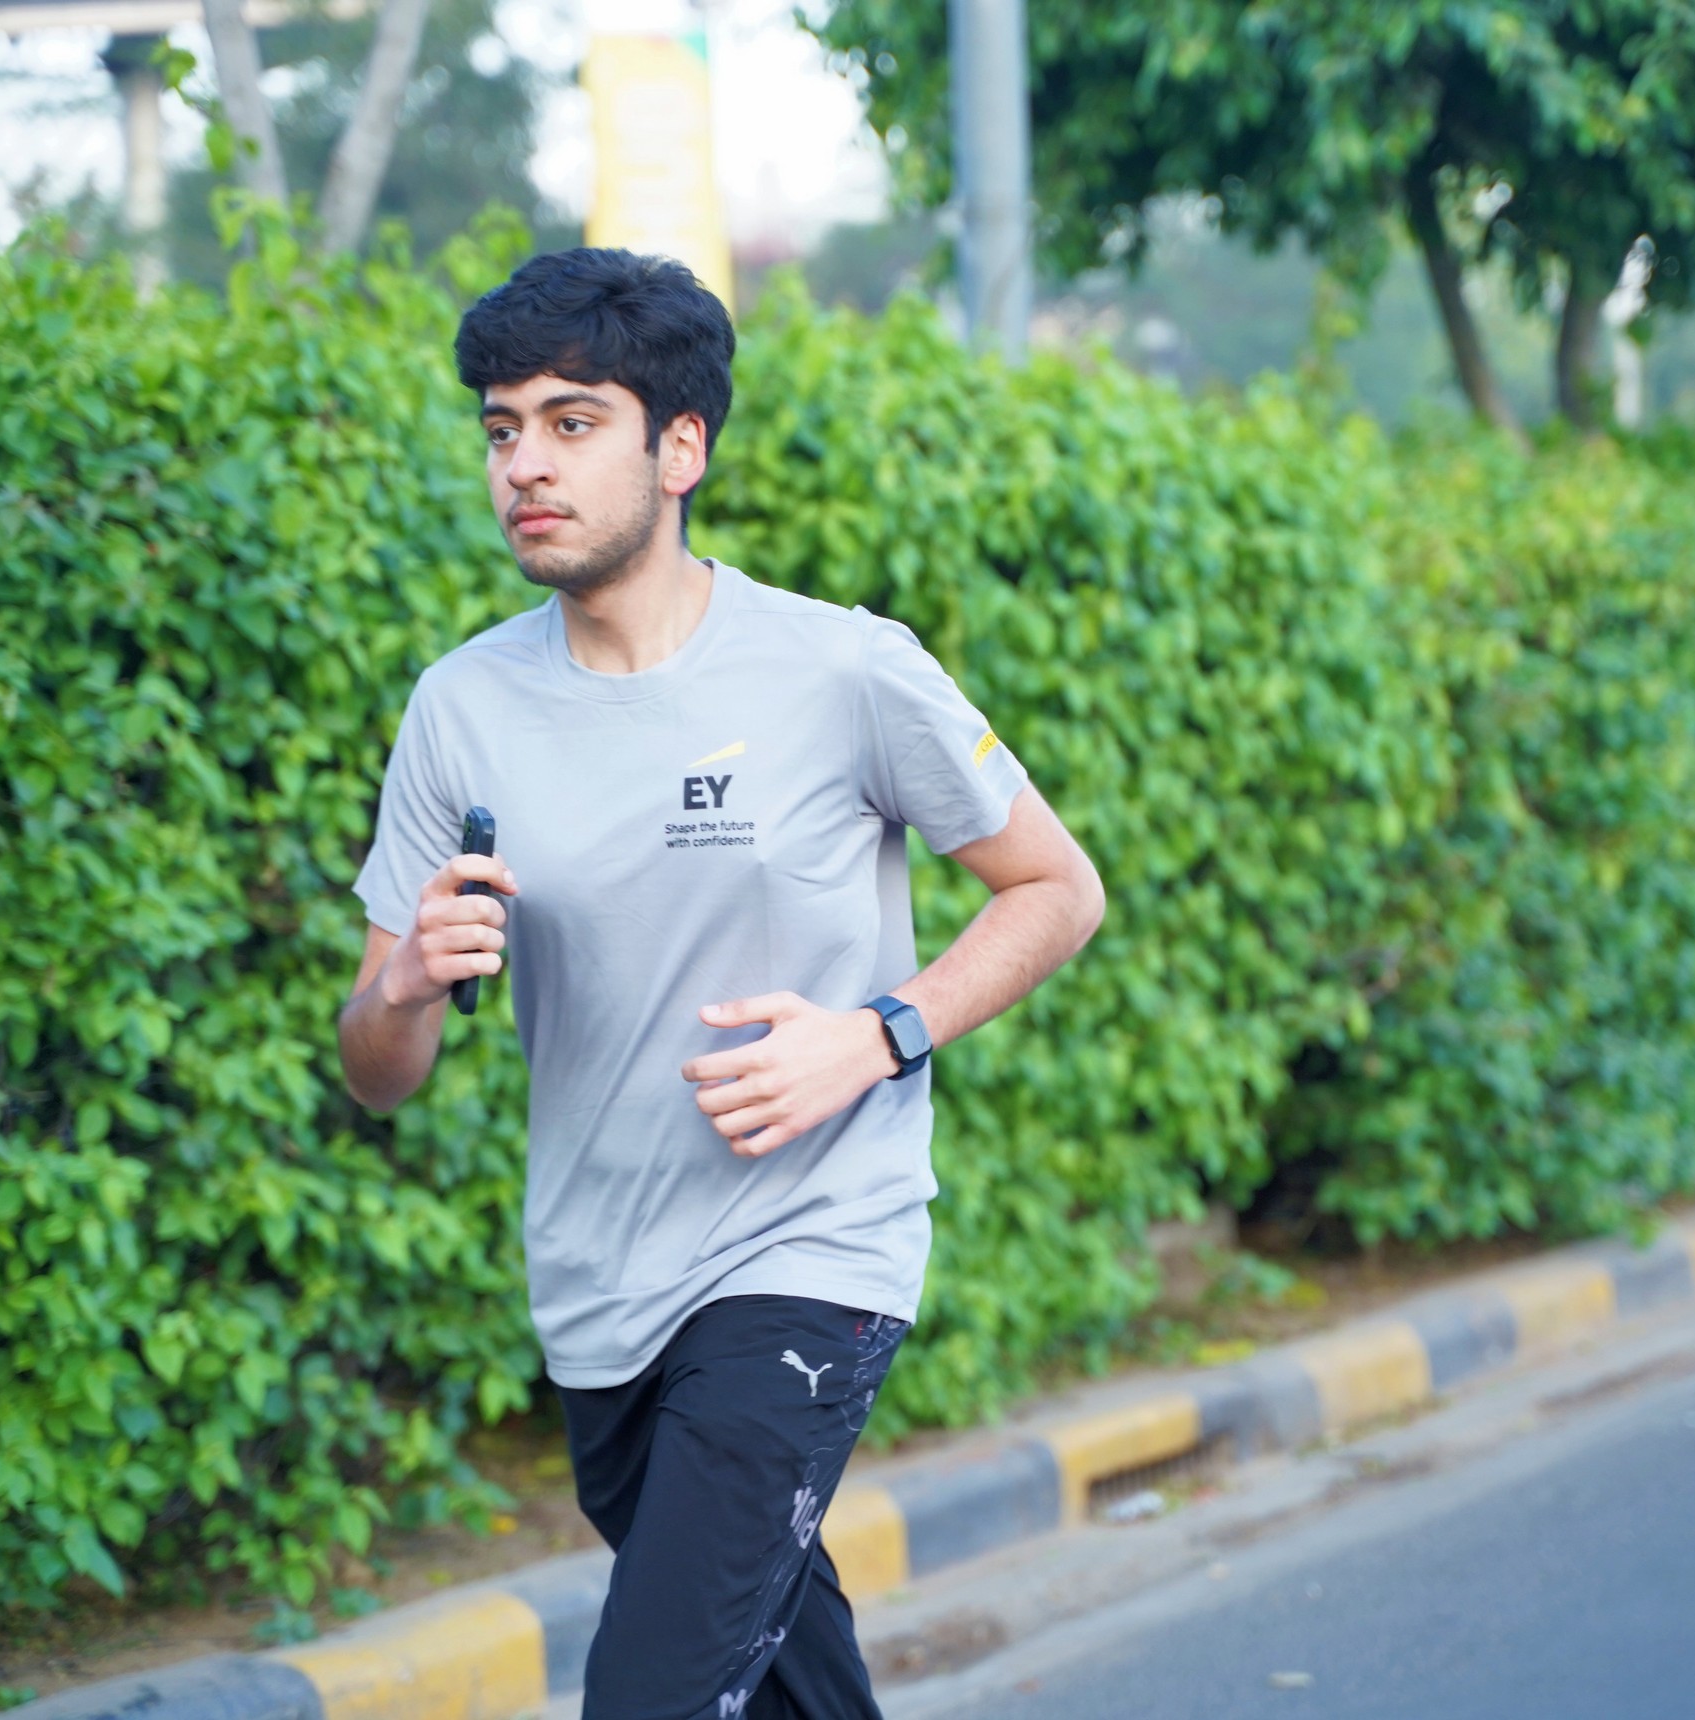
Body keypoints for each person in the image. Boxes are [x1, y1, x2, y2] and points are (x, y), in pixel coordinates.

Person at [336, 247, 1105, 1720]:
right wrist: (409, 986)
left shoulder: (843, 670)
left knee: (653, 1693)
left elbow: (1058, 889)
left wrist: (877, 1038)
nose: (523, 466)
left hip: (808, 1256)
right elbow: (377, 1069)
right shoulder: (462, 709)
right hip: (599, 1285)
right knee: (793, 1683)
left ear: (679, 448)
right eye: (502, 429)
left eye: (573, 423)